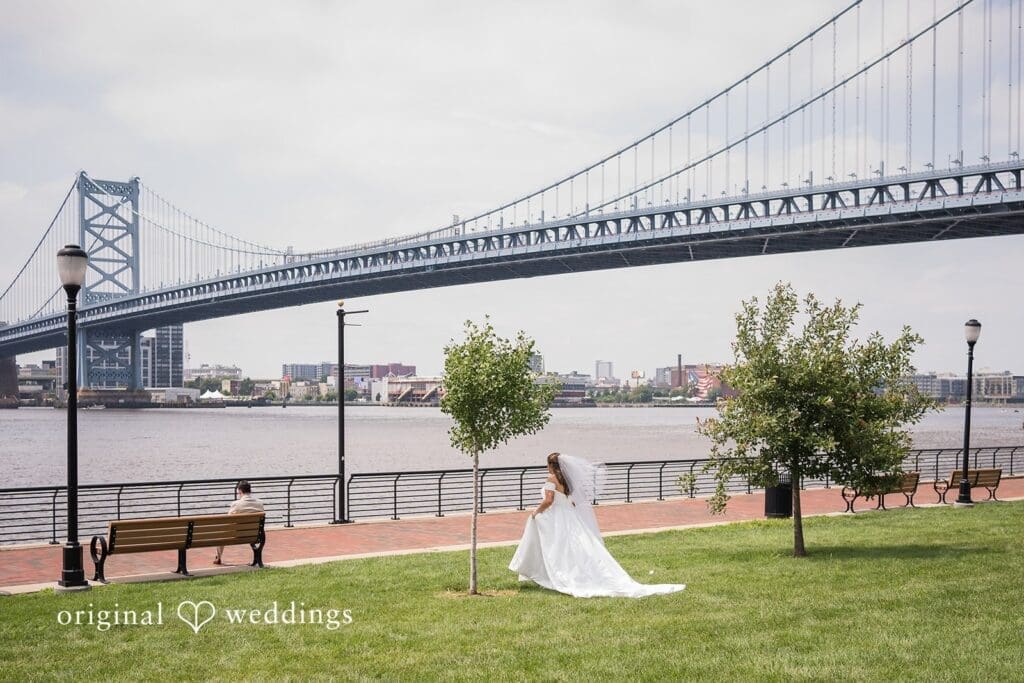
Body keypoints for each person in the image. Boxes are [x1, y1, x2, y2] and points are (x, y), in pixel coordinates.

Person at [509, 452, 686, 598]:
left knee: (558, 547)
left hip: (556, 518)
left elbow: (548, 501)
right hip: (569, 516)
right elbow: (569, 502)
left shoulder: (551, 479)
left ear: (550, 465)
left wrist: (535, 512)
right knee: (576, 546)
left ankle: (552, 573)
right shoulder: (566, 481)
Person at [213, 480, 265, 565]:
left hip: (238, 535)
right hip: (255, 535)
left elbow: (228, 521)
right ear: (250, 491)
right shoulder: (260, 503)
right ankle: (257, 559)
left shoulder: (236, 504)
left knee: (221, 533)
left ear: (240, 491)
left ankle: (218, 557)